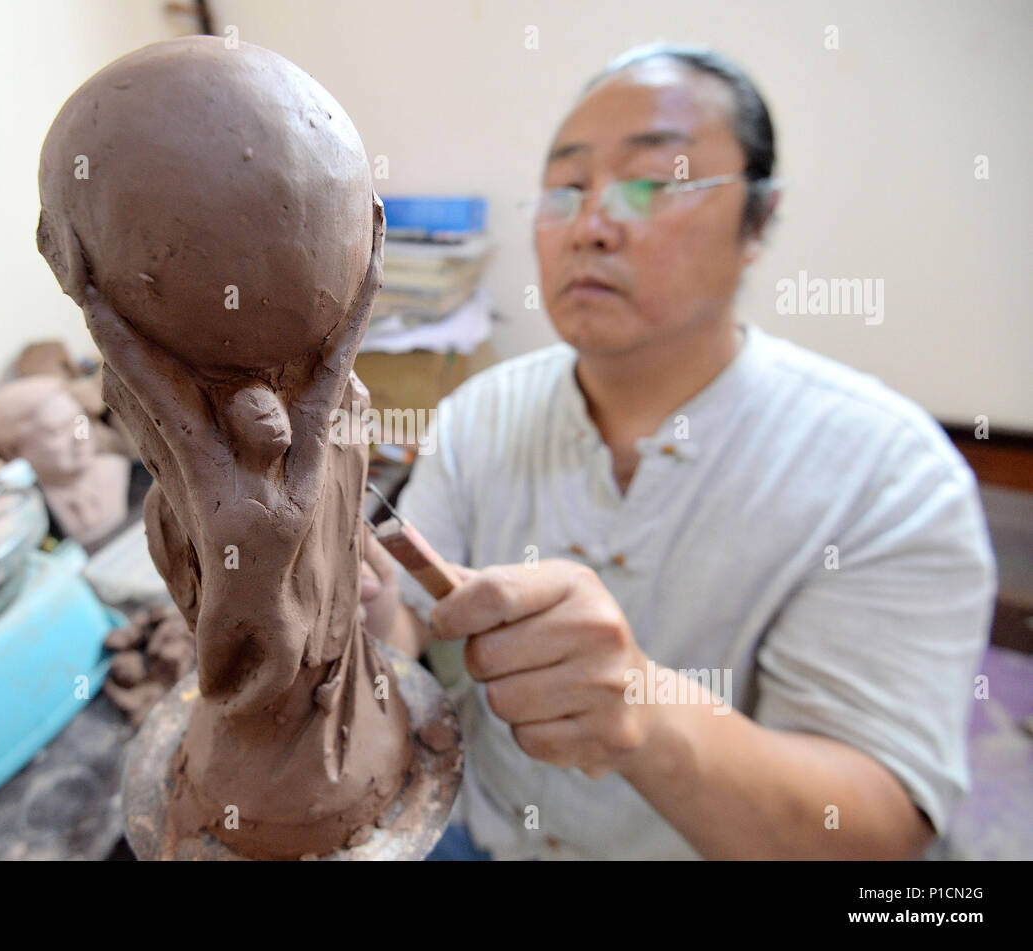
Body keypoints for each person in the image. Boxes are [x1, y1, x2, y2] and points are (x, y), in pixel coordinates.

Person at [359, 43, 995, 860]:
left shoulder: (891, 475)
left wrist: (640, 711)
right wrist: (375, 616)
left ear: (758, 219)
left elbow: (877, 825)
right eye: (566, 187)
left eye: (655, 183)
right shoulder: (482, 410)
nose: (592, 225)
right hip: (484, 836)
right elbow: (406, 621)